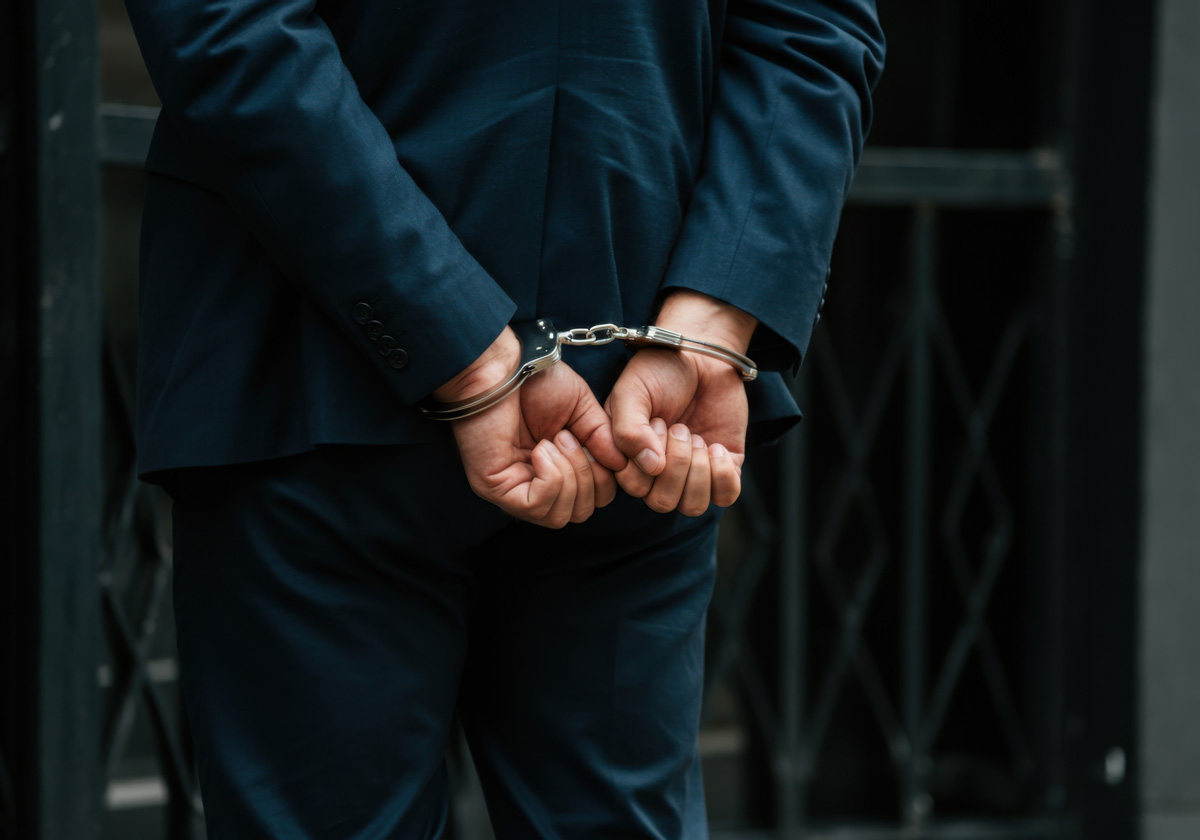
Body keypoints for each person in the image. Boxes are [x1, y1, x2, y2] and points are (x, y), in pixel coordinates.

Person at [124, 0, 884, 835]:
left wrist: (703, 324)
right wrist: (712, 315)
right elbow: (812, 26)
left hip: (338, 369)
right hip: (606, 378)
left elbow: (226, 25)